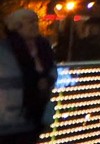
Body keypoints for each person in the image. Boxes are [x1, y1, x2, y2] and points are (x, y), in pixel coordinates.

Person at [4, 8, 56, 142]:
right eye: (30, 22)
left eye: (36, 22)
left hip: (37, 110)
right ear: (17, 26)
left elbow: (52, 69)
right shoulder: (6, 48)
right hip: (11, 114)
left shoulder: (43, 46)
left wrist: (48, 80)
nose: (35, 25)